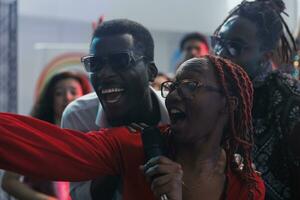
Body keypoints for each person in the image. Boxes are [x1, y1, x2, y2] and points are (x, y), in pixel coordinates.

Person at [0, 55, 265, 200]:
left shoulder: (248, 187)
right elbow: (52, 149)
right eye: (172, 85)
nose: (172, 95)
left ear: (228, 104)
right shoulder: (136, 146)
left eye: (190, 86)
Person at [61, 19, 169, 200]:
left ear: (150, 72)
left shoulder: (177, 113)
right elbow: (81, 196)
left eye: (120, 61)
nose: (104, 73)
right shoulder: (79, 116)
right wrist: (120, 153)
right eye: (95, 64)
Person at [212, 0, 300, 199]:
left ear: (265, 56)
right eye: (218, 41)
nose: (220, 53)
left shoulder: (289, 100)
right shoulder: (212, 91)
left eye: (235, 47)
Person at [1, 71, 92, 200]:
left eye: (73, 92)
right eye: (59, 93)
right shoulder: (36, 134)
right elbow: (9, 182)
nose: (67, 97)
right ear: (51, 99)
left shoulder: (91, 136)